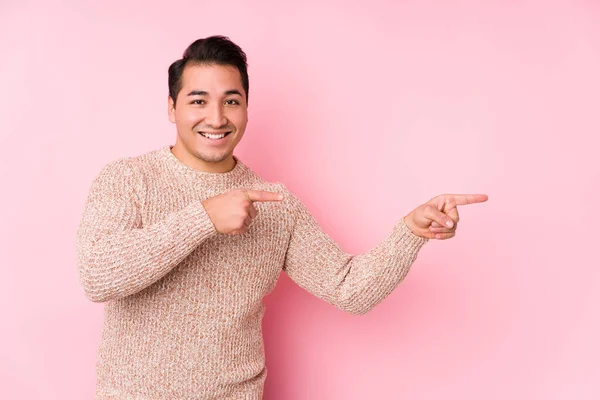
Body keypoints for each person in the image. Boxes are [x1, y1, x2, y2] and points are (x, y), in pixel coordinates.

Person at [76, 35, 488, 400]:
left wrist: (410, 233)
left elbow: (350, 290)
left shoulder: (275, 204)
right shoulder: (127, 179)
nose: (216, 118)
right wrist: (203, 218)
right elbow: (98, 275)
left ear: (247, 109)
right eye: (198, 100)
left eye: (231, 101)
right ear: (172, 107)